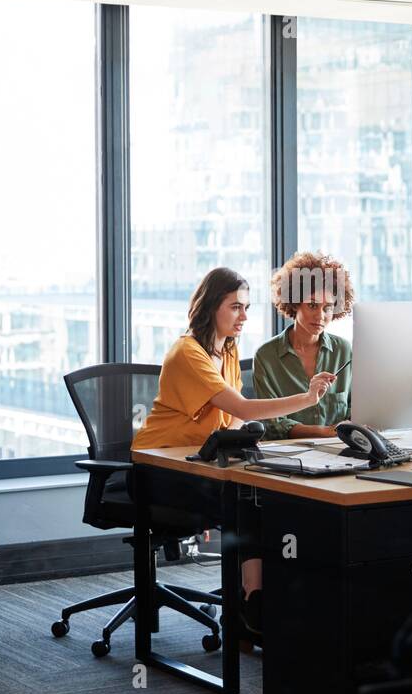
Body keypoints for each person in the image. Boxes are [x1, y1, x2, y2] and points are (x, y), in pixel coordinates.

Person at [131, 267, 335, 646]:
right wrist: (308, 399)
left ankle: (255, 601)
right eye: (235, 307)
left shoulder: (226, 349)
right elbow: (243, 408)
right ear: (211, 307)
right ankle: (251, 602)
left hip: (200, 464)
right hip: (159, 471)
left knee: (267, 498)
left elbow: (231, 422)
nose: (244, 316)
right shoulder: (187, 353)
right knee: (248, 505)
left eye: (247, 307)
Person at [253, 251, 355, 440]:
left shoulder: (343, 350)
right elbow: (272, 423)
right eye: (312, 305)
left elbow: (355, 409)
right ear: (294, 304)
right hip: (286, 456)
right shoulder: (266, 356)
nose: (320, 316)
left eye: (328, 308)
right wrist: (324, 433)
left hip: (339, 451)